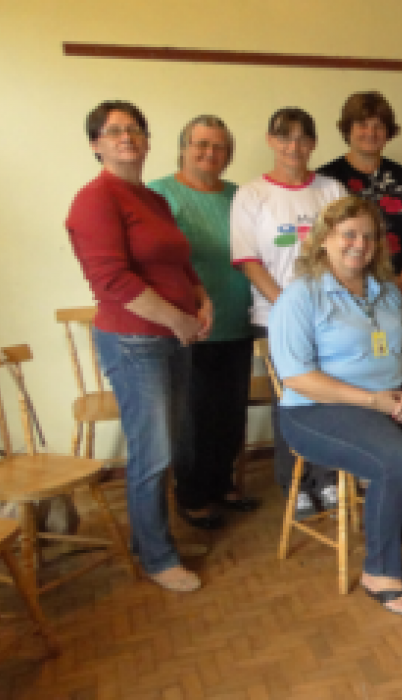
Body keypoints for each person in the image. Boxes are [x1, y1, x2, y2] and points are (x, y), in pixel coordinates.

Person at [270, 196, 402, 616]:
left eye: (368, 235)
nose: (358, 244)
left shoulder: (387, 293)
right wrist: (371, 400)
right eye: (349, 234)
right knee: (400, 461)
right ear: (325, 239)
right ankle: (381, 570)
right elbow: (296, 377)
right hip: (316, 410)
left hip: (392, 399)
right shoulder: (301, 295)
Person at [66, 101, 213, 593]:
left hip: (171, 336)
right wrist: (177, 320)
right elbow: (110, 280)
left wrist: (202, 298)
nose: (126, 137)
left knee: (165, 447)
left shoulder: (151, 199)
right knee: (153, 453)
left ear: (148, 141)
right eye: (113, 131)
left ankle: (155, 539)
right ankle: (156, 555)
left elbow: (179, 261)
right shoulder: (95, 199)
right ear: (96, 144)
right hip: (135, 342)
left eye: (135, 130)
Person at [230, 107, 347, 518]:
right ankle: (294, 483)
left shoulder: (331, 190)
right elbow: (249, 261)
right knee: (293, 403)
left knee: (331, 399)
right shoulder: (251, 195)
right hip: (274, 316)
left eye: (302, 138)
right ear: (270, 141)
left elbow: (348, 250)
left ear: (314, 144)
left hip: (331, 314)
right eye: (284, 138)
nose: (293, 147)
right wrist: (289, 308)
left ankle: (328, 478)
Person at [149, 115, 258, 530]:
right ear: (182, 148)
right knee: (193, 417)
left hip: (238, 319)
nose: (210, 153)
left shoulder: (240, 196)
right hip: (187, 326)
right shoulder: (160, 194)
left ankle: (222, 484)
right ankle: (193, 494)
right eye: (201, 144)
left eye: (219, 147)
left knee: (229, 413)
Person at [319, 92, 402, 297]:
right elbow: (316, 239)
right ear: (347, 129)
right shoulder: (326, 179)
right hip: (340, 293)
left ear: (388, 132)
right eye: (362, 124)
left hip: (399, 290)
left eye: (379, 126)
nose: (371, 132)